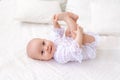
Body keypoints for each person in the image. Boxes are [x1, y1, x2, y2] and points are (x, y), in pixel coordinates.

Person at [26, 12, 98, 64]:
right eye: (42, 52)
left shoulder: (53, 41)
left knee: (68, 34)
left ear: (45, 39)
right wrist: (80, 35)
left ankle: (70, 19)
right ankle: (68, 18)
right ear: (43, 60)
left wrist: (55, 23)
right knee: (74, 36)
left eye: (43, 43)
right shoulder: (59, 56)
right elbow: (75, 49)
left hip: (75, 40)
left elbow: (57, 32)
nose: (46, 48)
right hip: (86, 46)